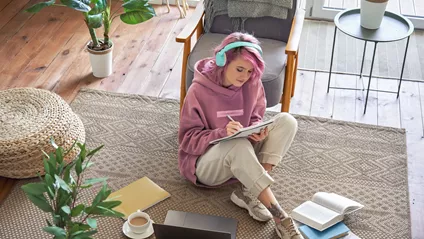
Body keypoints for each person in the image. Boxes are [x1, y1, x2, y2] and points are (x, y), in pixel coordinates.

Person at [178, 32, 302, 239]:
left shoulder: (252, 82)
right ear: (222, 61)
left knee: (287, 121)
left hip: (242, 149)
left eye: (251, 71)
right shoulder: (198, 91)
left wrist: (257, 129)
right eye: (239, 69)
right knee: (237, 145)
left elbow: (255, 116)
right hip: (206, 165)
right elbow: (187, 140)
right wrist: (220, 133)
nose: (244, 76)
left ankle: (250, 191)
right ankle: (281, 217)